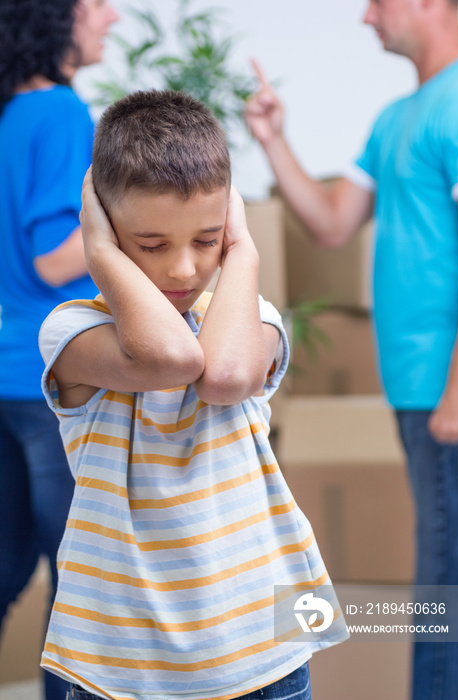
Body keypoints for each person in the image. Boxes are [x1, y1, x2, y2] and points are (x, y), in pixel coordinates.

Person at [37, 89, 348, 700]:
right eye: (151, 245)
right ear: (106, 227)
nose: (182, 269)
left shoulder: (252, 321)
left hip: (264, 650)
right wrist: (97, 253)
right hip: (122, 666)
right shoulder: (73, 330)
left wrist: (245, 248)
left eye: (207, 240)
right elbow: (172, 362)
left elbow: (224, 376)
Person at [245, 0, 458, 698]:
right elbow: (333, 224)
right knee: (445, 581)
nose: (367, 17)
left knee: (447, 589)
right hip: (418, 387)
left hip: (447, 387)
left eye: (378, 1)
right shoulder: (395, 118)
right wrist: (273, 140)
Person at [0, 1, 118, 698]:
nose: (111, 18)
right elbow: (51, 259)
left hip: (8, 374)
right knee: (81, 579)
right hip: (54, 381)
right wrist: (138, 216)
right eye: (97, 3)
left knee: (10, 561)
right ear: (57, 18)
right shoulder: (63, 112)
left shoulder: (10, 115)